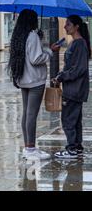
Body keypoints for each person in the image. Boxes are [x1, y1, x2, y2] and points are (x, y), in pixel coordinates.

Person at [8, 9, 53, 160]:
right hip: (35, 81)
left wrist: (40, 42)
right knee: (32, 114)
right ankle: (31, 149)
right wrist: (50, 53)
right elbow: (36, 58)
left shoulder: (19, 35)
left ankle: (28, 147)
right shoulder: (32, 35)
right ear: (31, 20)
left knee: (27, 113)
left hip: (23, 79)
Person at [52, 15, 90, 159]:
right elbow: (72, 66)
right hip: (73, 88)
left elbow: (79, 69)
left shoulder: (79, 44)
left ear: (76, 27)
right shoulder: (75, 43)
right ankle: (77, 147)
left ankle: (72, 148)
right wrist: (60, 75)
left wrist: (62, 76)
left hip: (74, 89)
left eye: (68, 24)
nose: (65, 27)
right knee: (74, 119)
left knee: (68, 119)